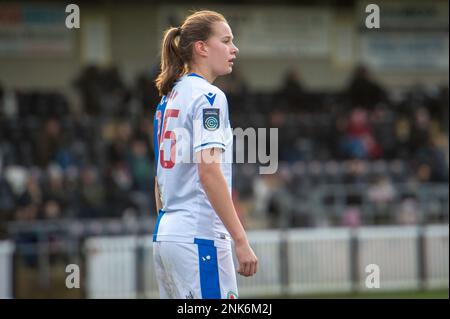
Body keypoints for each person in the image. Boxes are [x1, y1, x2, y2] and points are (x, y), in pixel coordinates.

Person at [152, 10, 258, 299]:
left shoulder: (168, 99)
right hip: (200, 237)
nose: (234, 48)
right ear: (201, 47)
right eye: (226, 40)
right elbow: (209, 171)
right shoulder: (209, 97)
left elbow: (158, 180)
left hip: (167, 235)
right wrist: (240, 239)